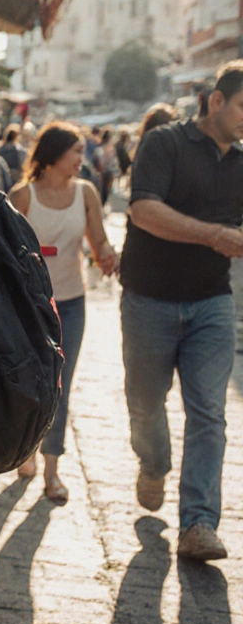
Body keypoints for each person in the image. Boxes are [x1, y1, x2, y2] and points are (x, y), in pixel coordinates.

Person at [121, 60, 243, 562]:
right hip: (149, 300)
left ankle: (198, 523)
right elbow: (142, 210)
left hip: (213, 303)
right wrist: (213, 234)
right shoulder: (164, 143)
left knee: (209, 413)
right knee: (146, 404)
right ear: (216, 102)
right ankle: (153, 464)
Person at [8, 123, 118, 504]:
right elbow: (2, 252)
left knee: (60, 386)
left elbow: (98, 239)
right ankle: (24, 450)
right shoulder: (22, 197)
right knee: (27, 382)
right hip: (28, 308)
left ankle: (51, 470)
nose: (81, 159)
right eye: (75, 152)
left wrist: (107, 255)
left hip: (70, 303)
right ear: (53, 155)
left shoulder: (85, 192)